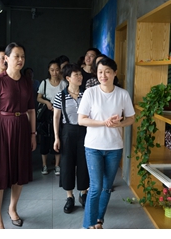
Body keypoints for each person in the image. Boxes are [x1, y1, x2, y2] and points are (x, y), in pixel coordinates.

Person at [78, 56, 135, 230]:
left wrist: (120, 123)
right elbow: (81, 120)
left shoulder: (122, 94)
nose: (103, 75)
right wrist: (104, 122)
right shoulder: (90, 93)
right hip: (93, 147)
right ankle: (88, 226)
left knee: (107, 188)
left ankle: (99, 221)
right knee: (96, 187)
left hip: (114, 147)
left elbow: (131, 118)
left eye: (107, 72)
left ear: (114, 73)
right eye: (100, 72)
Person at [0, 43, 37, 229]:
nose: (20, 60)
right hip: (2, 128)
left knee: (19, 172)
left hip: (22, 129)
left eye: (22, 56)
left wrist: (33, 133)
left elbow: (31, 110)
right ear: (6, 58)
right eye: (16, 56)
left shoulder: (26, 81)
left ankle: (12, 208)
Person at [53, 64, 89, 213]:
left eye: (80, 74)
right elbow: (56, 117)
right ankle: (69, 197)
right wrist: (56, 137)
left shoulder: (87, 94)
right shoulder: (60, 96)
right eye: (76, 75)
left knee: (84, 162)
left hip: (85, 131)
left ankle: (84, 193)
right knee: (67, 164)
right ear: (68, 78)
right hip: (67, 131)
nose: (79, 77)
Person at [37, 60, 65, 175]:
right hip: (47, 115)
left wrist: (59, 107)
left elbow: (66, 97)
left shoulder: (63, 83)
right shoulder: (44, 83)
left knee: (57, 137)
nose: (55, 72)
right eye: (52, 70)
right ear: (49, 70)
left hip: (59, 113)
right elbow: (38, 97)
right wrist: (47, 103)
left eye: (57, 70)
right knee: (45, 139)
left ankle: (57, 165)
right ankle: (44, 165)